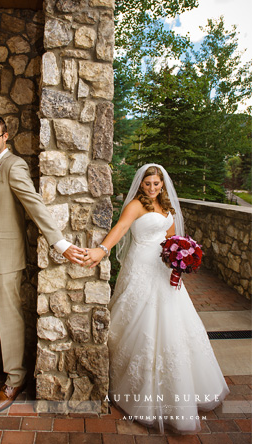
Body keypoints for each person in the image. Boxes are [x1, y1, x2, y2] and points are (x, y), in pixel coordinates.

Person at [82, 164, 229, 433]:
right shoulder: (136, 205)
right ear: (141, 184)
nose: (152, 188)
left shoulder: (167, 208)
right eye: (148, 183)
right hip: (140, 267)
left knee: (175, 322)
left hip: (163, 270)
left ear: (163, 184)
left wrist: (182, 256)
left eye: (156, 184)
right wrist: (102, 251)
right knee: (137, 319)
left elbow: (173, 238)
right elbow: (121, 228)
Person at [0, 114, 85, 415]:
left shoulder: (14, 166)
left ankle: (15, 378)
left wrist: (60, 243)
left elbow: (34, 205)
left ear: (5, 137)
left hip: (6, 256)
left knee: (9, 318)